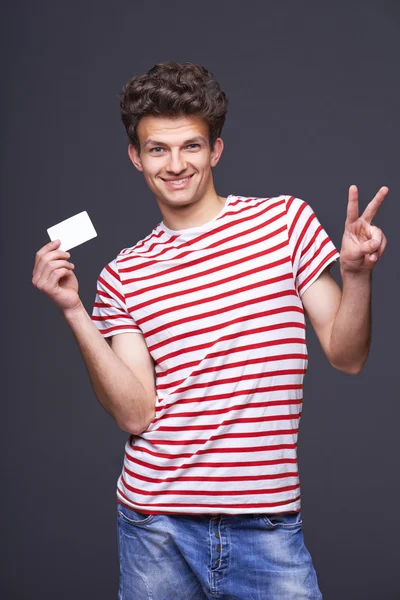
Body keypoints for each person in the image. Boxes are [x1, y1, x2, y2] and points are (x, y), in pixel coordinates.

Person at [32, 61, 388, 600]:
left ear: (215, 149)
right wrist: (73, 311)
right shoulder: (123, 274)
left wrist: (357, 275)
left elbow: (347, 354)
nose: (176, 164)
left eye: (191, 146)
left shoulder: (284, 224)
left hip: (265, 526)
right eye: (158, 149)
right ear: (136, 157)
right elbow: (135, 412)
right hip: (156, 528)